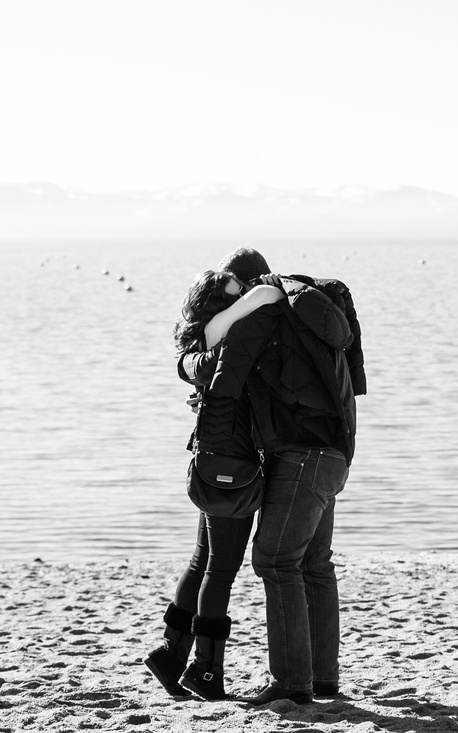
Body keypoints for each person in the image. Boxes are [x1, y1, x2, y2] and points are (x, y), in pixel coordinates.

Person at [181, 247, 366, 705]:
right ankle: (323, 679)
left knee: (276, 561)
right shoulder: (316, 304)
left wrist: (186, 369)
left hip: (299, 455)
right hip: (337, 449)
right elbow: (354, 379)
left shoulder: (264, 314)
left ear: (245, 288)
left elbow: (221, 380)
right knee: (314, 565)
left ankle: (291, 684)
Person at [144, 269, 283, 701]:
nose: (242, 296)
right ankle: (205, 670)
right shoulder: (224, 341)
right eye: (233, 292)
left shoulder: (209, 341)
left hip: (212, 460)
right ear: (216, 302)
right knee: (220, 570)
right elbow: (265, 296)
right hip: (230, 463)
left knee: (202, 562)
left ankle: (171, 654)